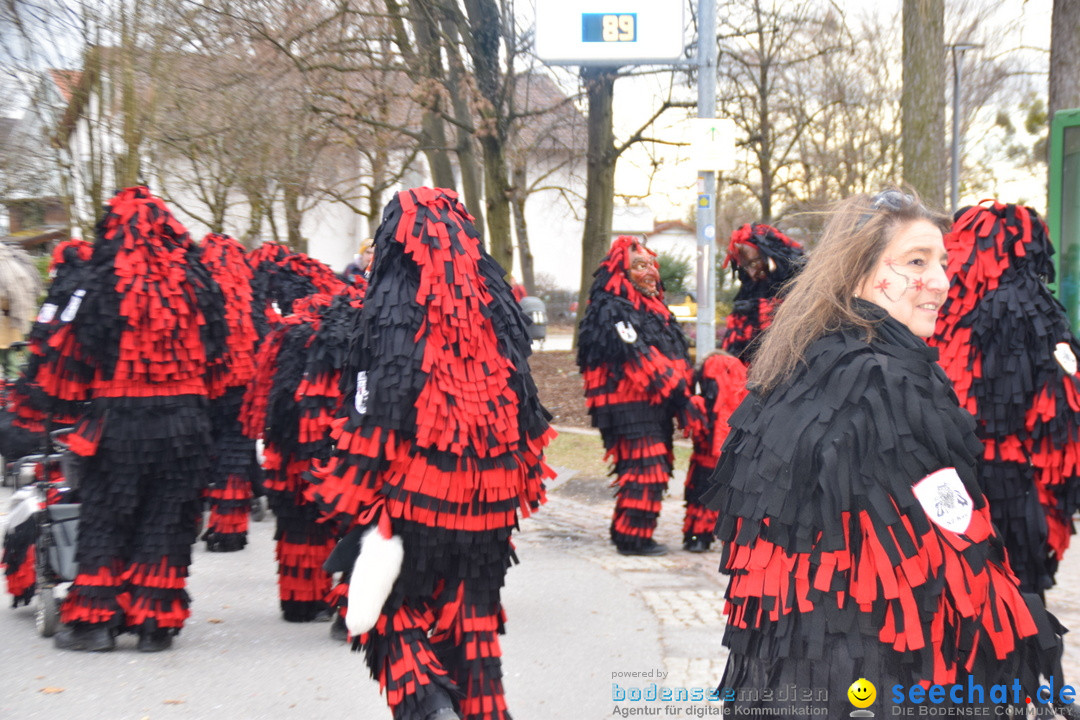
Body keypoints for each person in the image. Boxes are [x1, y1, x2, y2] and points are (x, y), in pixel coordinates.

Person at [703, 189, 1071, 717]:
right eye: (916, 262)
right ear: (859, 270)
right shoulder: (884, 381)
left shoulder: (806, 360)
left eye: (943, 262)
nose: (941, 282)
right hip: (874, 673)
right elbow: (950, 559)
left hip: (805, 672)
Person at [308, 187, 553, 720]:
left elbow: (379, 411)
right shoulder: (499, 307)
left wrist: (350, 489)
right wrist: (520, 484)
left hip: (418, 496)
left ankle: (429, 706)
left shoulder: (389, 306)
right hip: (491, 502)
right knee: (470, 617)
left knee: (387, 608)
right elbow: (529, 409)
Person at [38, 186, 227, 653]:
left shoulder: (98, 279)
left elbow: (72, 352)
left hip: (119, 417)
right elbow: (219, 351)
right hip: (185, 420)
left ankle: (95, 624)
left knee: (107, 516)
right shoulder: (198, 278)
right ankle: (155, 624)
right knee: (167, 519)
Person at [929, 201, 1080, 597]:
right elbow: (1061, 422)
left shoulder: (943, 314)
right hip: (1008, 485)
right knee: (1016, 607)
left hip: (951, 481)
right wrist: (1056, 505)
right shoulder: (1040, 316)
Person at [576, 236, 694, 556]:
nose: (651, 272)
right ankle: (632, 538)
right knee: (646, 467)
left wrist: (682, 389)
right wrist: (680, 392)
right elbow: (637, 357)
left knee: (653, 465)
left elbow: (673, 353)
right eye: (640, 266)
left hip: (652, 405)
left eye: (651, 265)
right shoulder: (612, 308)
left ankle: (630, 532)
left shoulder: (655, 309)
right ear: (622, 273)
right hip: (627, 406)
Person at [200, 233, 261, 552]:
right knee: (235, 459)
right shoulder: (249, 291)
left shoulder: (201, 288)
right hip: (244, 387)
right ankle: (231, 529)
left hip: (210, 387)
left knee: (210, 457)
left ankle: (208, 523)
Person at [680, 351, 746, 553]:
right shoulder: (739, 398)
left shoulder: (698, 405)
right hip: (726, 456)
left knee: (701, 495)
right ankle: (719, 536)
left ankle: (697, 537)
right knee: (724, 495)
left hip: (706, 459)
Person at [719, 223, 804, 363]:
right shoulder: (749, 292)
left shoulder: (800, 285)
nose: (751, 273)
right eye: (745, 267)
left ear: (770, 254)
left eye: (753, 263)